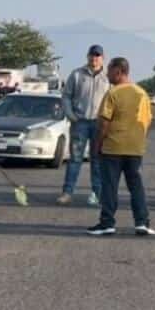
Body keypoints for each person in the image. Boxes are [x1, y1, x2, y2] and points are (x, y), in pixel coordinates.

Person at [86, 57, 155, 236]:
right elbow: (147, 122)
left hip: (113, 148)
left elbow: (104, 123)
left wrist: (97, 145)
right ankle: (142, 222)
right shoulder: (142, 93)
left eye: (109, 70)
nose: (107, 74)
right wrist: (138, 140)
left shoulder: (113, 93)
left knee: (109, 187)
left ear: (118, 72)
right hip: (135, 149)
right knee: (136, 187)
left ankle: (107, 223)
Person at [57, 45, 110, 206]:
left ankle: (97, 194)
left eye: (97, 56)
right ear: (87, 56)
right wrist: (70, 115)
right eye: (92, 55)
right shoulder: (77, 74)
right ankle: (67, 193)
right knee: (75, 159)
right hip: (80, 122)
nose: (94, 58)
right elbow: (66, 96)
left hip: (99, 124)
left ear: (103, 58)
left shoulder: (108, 78)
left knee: (97, 160)